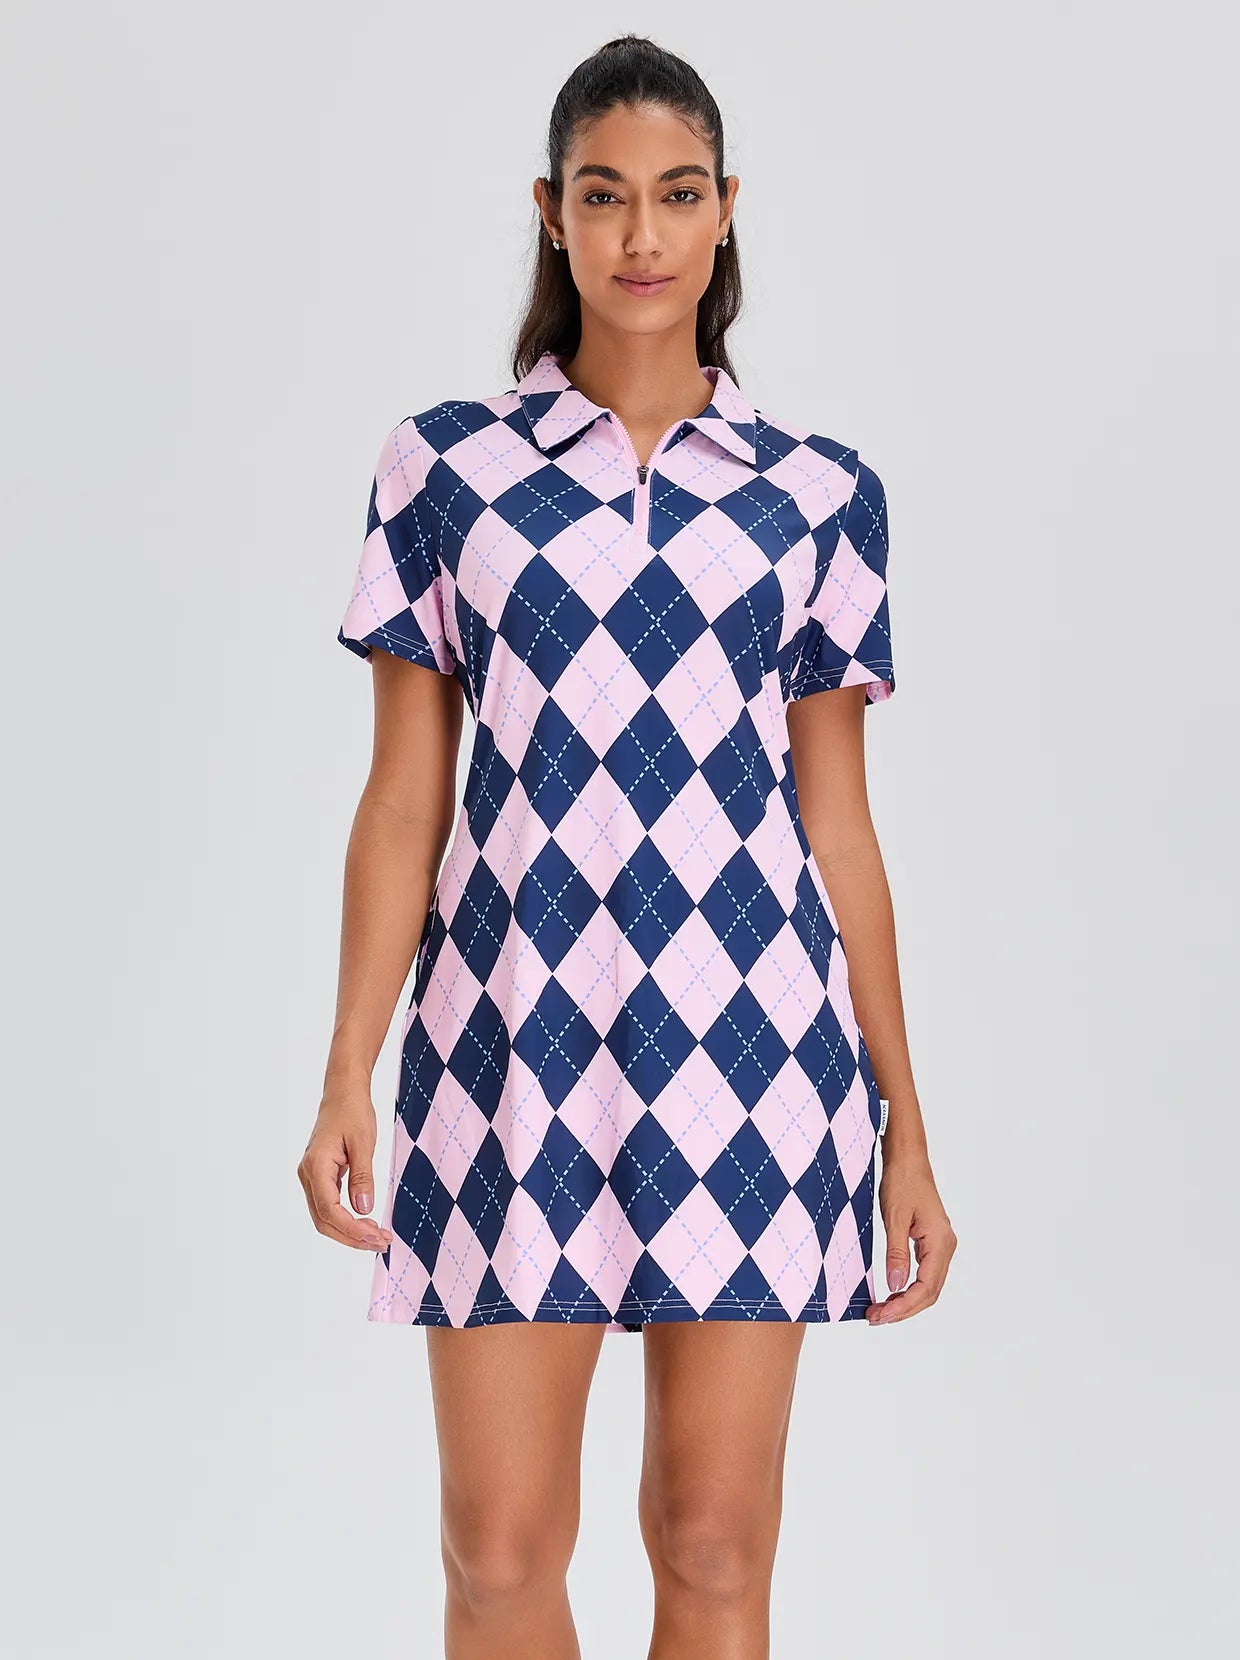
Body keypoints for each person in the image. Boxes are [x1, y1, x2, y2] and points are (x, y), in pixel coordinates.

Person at [299, 32, 956, 1660]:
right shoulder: (445, 470)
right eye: (604, 197)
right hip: (509, 1044)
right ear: (552, 214)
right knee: (498, 1553)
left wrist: (907, 1125)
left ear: (727, 210)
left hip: (752, 1051)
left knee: (716, 1550)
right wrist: (347, 1069)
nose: (642, 235)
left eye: (676, 195)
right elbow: (404, 799)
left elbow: (839, 821)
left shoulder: (819, 495)